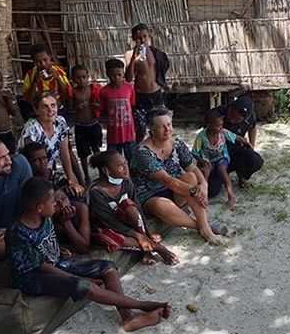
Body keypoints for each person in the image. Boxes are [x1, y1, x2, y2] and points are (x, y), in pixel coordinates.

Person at [6, 177, 171, 332]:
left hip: (55, 263)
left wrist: (57, 252)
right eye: (52, 201)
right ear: (39, 208)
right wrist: (74, 278)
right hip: (33, 277)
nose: (57, 204)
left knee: (108, 268)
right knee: (84, 286)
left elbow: (46, 246)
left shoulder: (45, 217)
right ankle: (144, 305)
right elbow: (41, 266)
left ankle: (128, 318)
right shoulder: (18, 232)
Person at [131, 107, 229, 245]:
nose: (167, 129)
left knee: (190, 176)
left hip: (176, 190)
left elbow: (192, 167)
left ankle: (203, 225)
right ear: (151, 129)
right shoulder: (143, 152)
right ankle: (204, 227)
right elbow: (167, 180)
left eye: (169, 124)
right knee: (160, 205)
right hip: (150, 194)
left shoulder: (177, 143)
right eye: (162, 126)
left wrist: (203, 185)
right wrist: (195, 191)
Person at [87, 150, 178, 265]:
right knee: (112, 240)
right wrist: (138, 236)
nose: (126, 168)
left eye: (125, 163)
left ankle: (147, 245)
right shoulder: (97, 191)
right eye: (120, 165)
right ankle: (157, 248)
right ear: (106, 170)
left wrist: (147, 233)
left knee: (130, 207)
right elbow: (109, 222)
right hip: (107, 226)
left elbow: (137, 207)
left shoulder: (125, 181)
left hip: (127, 223)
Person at [19, 91, 85, 196]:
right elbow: (31, 164)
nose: (50, 110)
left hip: (47, 173)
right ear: (36, 110)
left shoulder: (60, 122)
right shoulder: (32, 130)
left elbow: (64, 154)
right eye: (44, 107)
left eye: (53, 105)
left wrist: (71, 181)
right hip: (32, 176)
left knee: (76, 195)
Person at [192, 109, 252, 209]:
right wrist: (202, 161)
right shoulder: (201, 136)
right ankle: (204, 196)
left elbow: (236, 137)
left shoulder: (223, 133)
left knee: (222, 169)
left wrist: (248, 143)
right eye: (218, 126)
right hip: (208, 160)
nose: (220, 127)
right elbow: (194, 152)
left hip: (221, 158)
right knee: (205, 171)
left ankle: (231, 196)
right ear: (209, 125)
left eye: (221, 125)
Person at [124, 23, 170, 143]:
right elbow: (128, 78)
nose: (142, 40)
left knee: (161, 124)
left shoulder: (156, 53)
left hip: (156, 94)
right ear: (134, 38)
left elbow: (164, 68)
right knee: (141, 128)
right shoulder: (130, 54)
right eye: (139, 38)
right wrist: (134, 56)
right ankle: (138, 153)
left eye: (144, 36)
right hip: (140, 96)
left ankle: (160, 150)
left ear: (148, 36)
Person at [210, 96, 264, 195]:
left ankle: (241, 174)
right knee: (211, 191)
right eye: (232, 116)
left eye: (237, 120)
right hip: (218, 156)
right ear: (231, 107)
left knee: (255, 160)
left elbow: (253, 127)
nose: (233, 121)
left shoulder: (250, 117)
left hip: (237, 151)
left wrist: (251, 146)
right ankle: (221, 175)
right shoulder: (216, 115)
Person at [99, 58, 137, 164]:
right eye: (113, 75)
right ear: (107, 74)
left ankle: (132, 179)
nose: (116, 78)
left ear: (123, 73)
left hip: (128, 133)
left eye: (119, 75)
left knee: (132, 160)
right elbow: (102, 108)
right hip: (113, 134)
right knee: (114, 161)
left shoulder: (129, 88)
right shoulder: (104, 91)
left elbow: (132, 105)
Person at [70, 64, 102, 184]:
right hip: (81, 126)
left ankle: (101, 173)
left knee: (96, 150)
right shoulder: (73, 92)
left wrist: (97, 106)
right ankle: (87, 177)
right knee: (83, 154)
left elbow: (102, 105)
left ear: (88, 76)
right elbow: (70, 108)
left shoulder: (94, 89)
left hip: (93, 124)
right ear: (73, 79)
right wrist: (77, 107)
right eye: (78, 78)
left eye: (84, 77)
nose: (81, 80)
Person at [52, 187, 92, 254]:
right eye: (55, 203)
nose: (62, 205)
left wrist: (66, 222)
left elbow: (84, 248)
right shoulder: (47, 219)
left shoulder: (80, 208)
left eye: (64, 199)